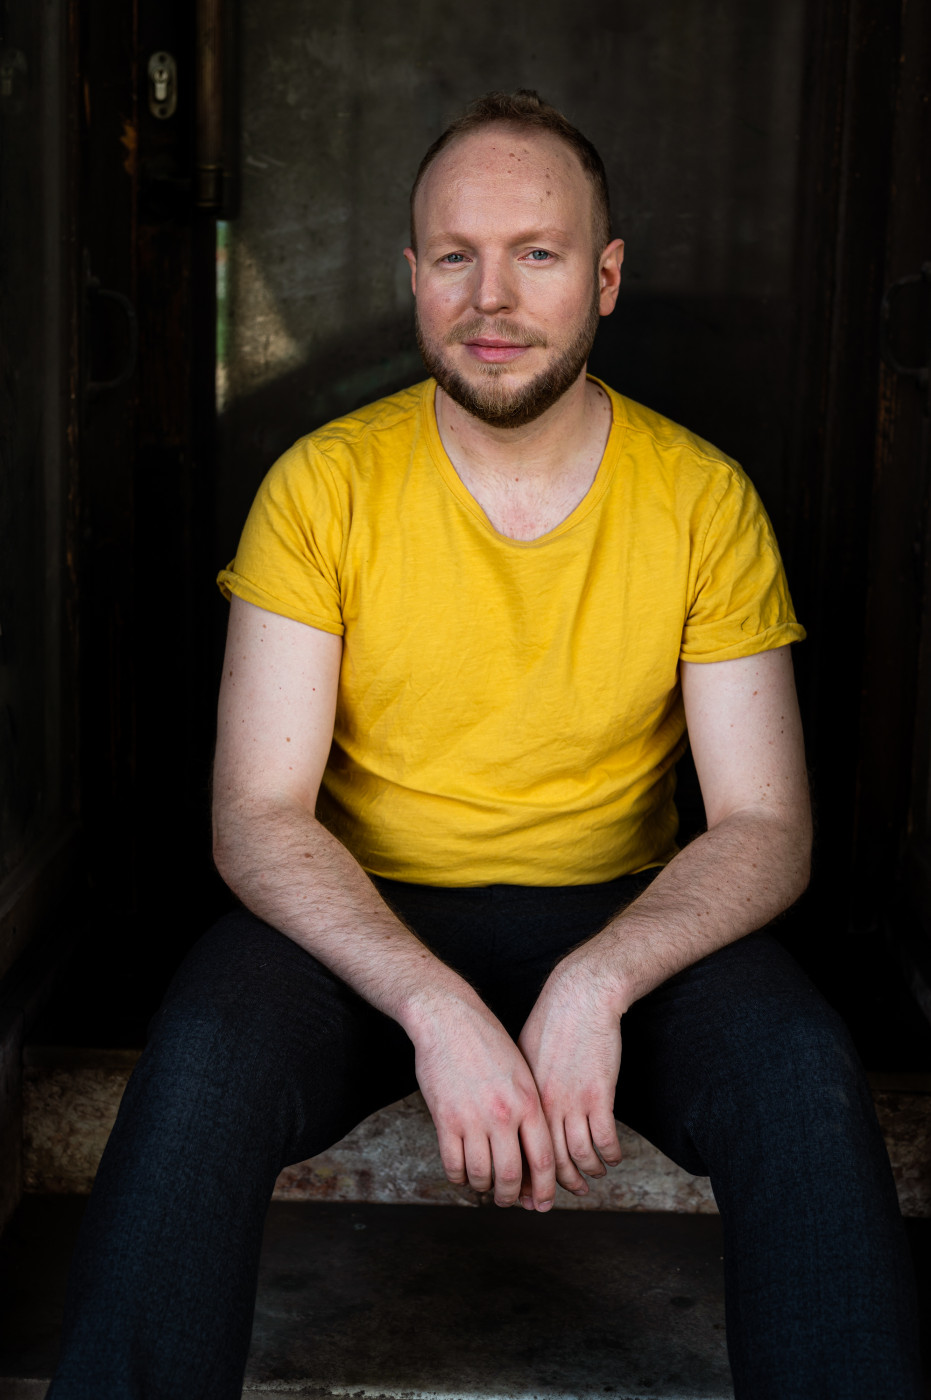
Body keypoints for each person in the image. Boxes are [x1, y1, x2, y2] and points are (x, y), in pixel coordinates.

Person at [49, 90, 922, 1399]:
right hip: (362, 920)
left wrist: (597, 981)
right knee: (203, 1061)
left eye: (537, 253)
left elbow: (765, 826)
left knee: (799, 1069)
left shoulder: (701, 498)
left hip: (626, 913)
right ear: (413, 275)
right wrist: (433, 1001)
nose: (490, 298)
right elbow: (259, 815)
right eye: (455, 255)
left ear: (605, 278)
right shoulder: (325, 486)